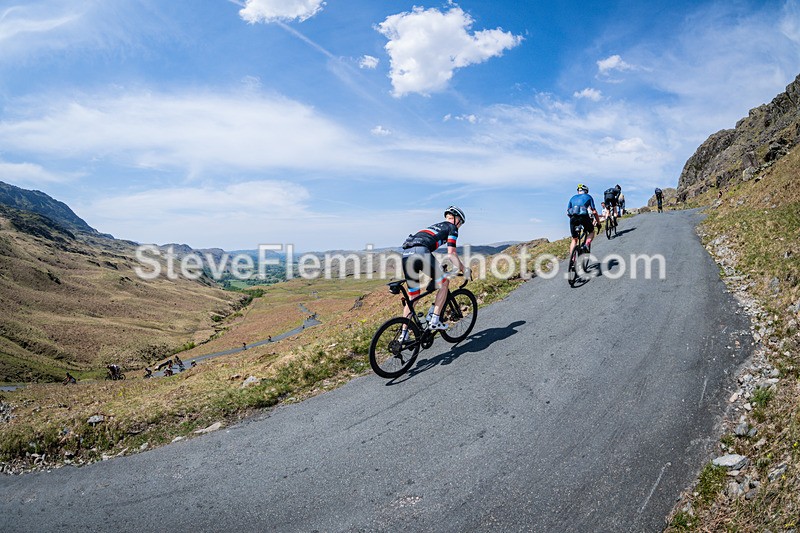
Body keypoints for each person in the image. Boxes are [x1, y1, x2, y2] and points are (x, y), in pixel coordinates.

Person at [400, 206, 469, 333]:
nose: (459, 227)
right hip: (421, 252)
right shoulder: (452, 228)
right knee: (444, 283)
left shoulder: (433, 227)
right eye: (461, 224)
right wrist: (464, 269)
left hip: (406, 254)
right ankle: (435, 320)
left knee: (413, 296)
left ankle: (403, 334)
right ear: (456, 219)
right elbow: (451, 253)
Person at [567, 184, 601, 255]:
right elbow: (594, 212)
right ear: (586, 191)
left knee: (574, 239)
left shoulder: (572, 198)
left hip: (573, 218)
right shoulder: (588, 197)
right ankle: (586, 245)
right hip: (584, 217)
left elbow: (568, 212)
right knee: (591, 232)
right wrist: (598, 223)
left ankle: (572, 261)